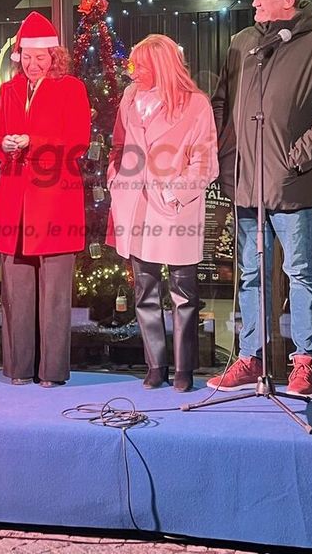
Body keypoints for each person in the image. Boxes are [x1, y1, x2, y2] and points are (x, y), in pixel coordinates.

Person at [209, 0, 312, 398]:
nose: (253, 2)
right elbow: (221, 102)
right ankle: (250, 357)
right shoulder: (242, 44)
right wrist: (224, 153)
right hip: (244, 184)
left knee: (299, 272)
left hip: (290, 184)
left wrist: (294, 160)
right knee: (251, 274)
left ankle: (304, 361)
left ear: (288, 0)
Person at [106, 35, 218, 392]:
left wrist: (176, 192)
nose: (133, 72)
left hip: (174, 208)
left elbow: (205, 162)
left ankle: (184, 369)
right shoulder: (130, 97)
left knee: (184, 294)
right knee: (145, 291)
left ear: (161, 66)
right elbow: (119, 145)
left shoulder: (195, 104)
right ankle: (155, 366)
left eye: (140, 65)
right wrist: (114, 177)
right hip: (135, 205)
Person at [0, 12, 90, 387]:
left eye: (40, 58)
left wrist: (35, 142)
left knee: (55, 293)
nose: (33, 65)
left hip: (55, 198)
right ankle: (18, 368)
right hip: (14, 198)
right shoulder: (8, 91)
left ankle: (52, 371)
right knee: (16, 289)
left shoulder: (71, 89)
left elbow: (78, 140)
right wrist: (6, 144)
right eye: (27, 57)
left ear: (53, 57)